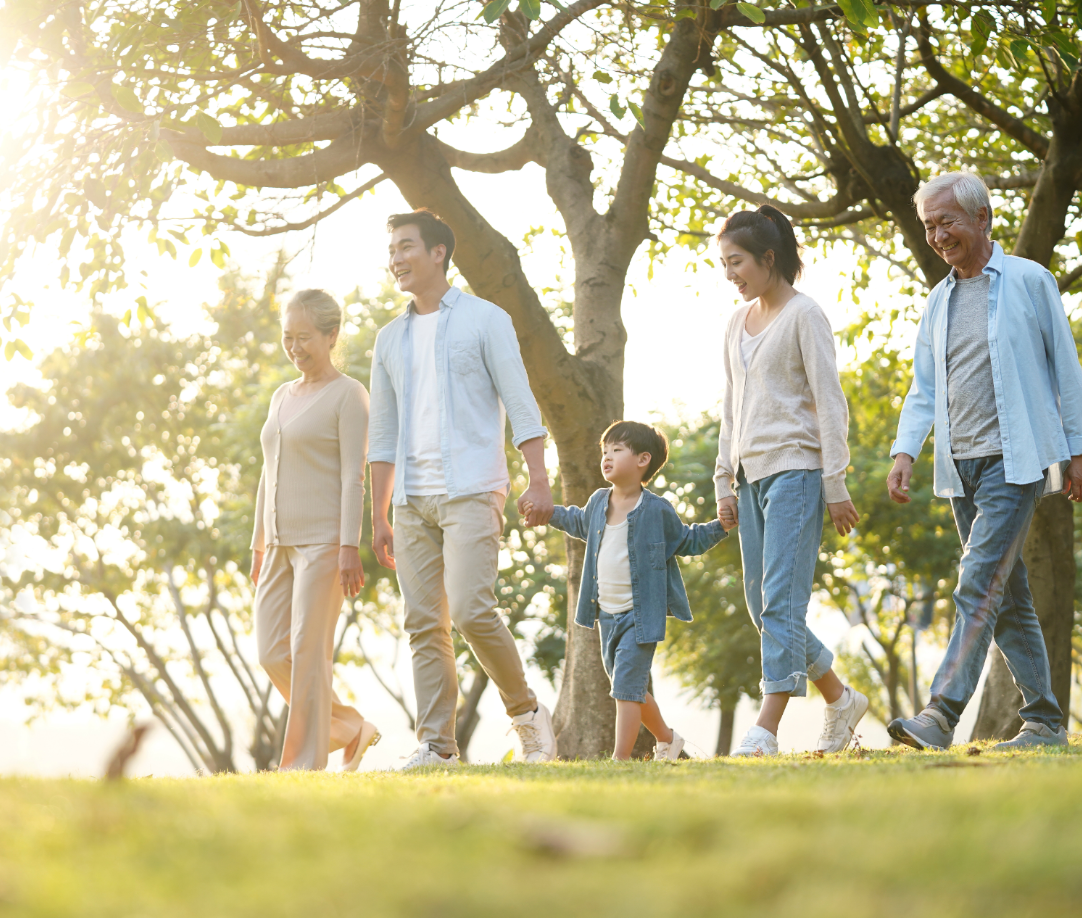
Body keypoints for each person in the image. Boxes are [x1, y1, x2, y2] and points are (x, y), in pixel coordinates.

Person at [885, 172, 1082, 751]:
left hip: (1015, 460)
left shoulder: (1030, 281)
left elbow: (1066, 370)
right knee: (1008, 596)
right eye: (929, 225)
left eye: (946, 222)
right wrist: (907, 450)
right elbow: (923, 387)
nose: (937, 235)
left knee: (977, 583)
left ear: (982, 219)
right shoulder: (939, 299)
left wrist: (1081, 450)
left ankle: (939, 715)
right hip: (960, 469)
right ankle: (1046, 722)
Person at [368, 209, 558, 769]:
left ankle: (526, 714)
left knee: (473, 610)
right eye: (392, 249)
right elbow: (382, 431)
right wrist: (378, 514)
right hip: (410, 501)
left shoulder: (485, 319)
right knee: (424, 623)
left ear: (438, 254)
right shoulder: (388, 339)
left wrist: (538, 476)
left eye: (406, 246)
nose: (396, 259)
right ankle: (439, 746)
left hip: (472, 487)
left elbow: (520, 400)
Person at [714, 205, 870, 757]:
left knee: (781, 604)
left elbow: (831, 402)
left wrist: (835, 482)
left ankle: (765, 730)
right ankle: (840, 697)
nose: (730, 273)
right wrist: (722, 481)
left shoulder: (806, 316)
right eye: (724, 264)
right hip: (751, 475)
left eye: (737, 262)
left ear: (768, 258)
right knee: (763, 609)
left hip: (798, 472)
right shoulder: (736, 323)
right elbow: (732, 406)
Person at [539, 421, 733, 761]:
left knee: (625, 688)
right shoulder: (599, 502)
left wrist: (721, 526)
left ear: (643, 460)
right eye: (605, 451)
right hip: (606, 616)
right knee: (630, 689)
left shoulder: (656, 509)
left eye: (617, 450)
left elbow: (688, 540)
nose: (607, 457)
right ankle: (669, 740)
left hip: (640, 617)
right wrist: (547, 513)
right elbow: (576, 521)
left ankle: (620, 759)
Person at [251, 289, 380, 771]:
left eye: (305, 337)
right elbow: (269, 471)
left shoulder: (349, 395)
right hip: (278, 543)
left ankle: (302, 765)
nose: (295, 347)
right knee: (270, 651)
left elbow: (354, 475)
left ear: (331, 335)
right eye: (288, 337)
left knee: (308, 652)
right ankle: (349, 727)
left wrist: (351, 545)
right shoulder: (281, 395)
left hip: (325, 543)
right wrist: (258, 543)